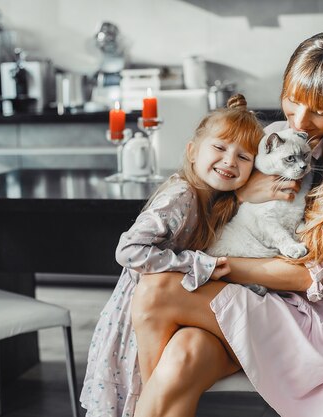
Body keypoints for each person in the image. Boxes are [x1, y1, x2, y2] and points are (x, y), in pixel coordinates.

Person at [129, 32, 323, 417]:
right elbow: (221, 207)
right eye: (293, 100)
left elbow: (310, 279)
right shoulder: (273, 140)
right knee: (183, 356)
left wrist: (223, 268)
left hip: (301, 321)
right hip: (246, 305)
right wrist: (240, 196)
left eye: (319, 111)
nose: (299, 120)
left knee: (155, 291)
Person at [79, 94, 266, 417]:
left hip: (174, 309)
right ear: (192, 152)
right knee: (146, 395)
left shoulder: (217, 200)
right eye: (219, 148)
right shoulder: (181, 195)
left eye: (244, 157)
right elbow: (129, 250)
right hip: (146, 313)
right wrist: (195, 264)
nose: (230, 161)